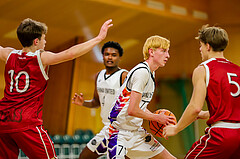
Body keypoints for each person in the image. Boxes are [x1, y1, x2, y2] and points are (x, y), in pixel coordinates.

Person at [0, 18, 113, 159]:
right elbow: (70, 53)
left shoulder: (8, 54)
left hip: (3, 119)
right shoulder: (41, 58)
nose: (45, 42)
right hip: (26, 121)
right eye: (43, 39)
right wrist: (98, 38)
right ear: (36, 41)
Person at [163, 25, 240, 159]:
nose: (200, 49)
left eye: (201, 45)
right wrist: (207, 114)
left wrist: (175, 128)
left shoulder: (203, 69)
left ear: (208, 46)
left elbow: (195, 107)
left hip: (222, 136)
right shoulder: (237, 69)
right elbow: (233, 107)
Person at [106, 35, 176, 159]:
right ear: (151, 52)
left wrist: (156, 119)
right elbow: (132, 110)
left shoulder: (151, 73)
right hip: (118, 133)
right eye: (164, 51)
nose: (168, 55)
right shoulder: (142, 72)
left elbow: (140, 107)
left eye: (168, 51)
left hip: (136, 132)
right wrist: (156, 117)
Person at [72, 41, 128, 159]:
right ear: (102, 56)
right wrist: (83, 103)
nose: (110, 57)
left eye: (114, 55)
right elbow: (96, 103)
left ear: (119, 57)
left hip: (122, 130)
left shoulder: (124, 76)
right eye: (107, 54)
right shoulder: (99, 75)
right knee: (84, 157)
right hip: (107, 129)